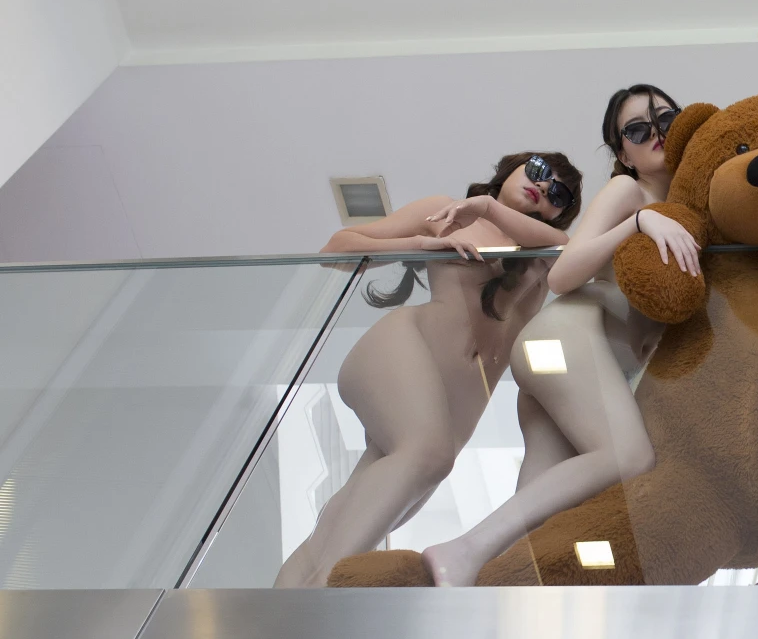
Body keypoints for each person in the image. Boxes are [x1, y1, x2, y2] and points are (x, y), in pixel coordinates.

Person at [421, 86, 702, 587]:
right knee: (629, 456)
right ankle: (461, 551)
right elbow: (564, 274)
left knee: (540, 516)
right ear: (623, 154)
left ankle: (493, 581)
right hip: (565, 341)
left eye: (665, 118)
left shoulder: (694, 206)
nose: (656, 132)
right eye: (637, 129)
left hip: (581, 371)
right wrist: (639, 222)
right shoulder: (629, 193)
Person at [273, 152, 583, 588]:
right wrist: (421, 244)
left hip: (458, 399)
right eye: (537, 170)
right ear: (511, 168)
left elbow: (567, 248)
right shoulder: (445, 212)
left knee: (354, 512)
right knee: (428, 456)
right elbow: (335, 250)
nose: (544, 186)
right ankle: (327, 590)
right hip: (403, 351)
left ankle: (288, 604)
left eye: (559, 194)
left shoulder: (546, 253)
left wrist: (488, 207)